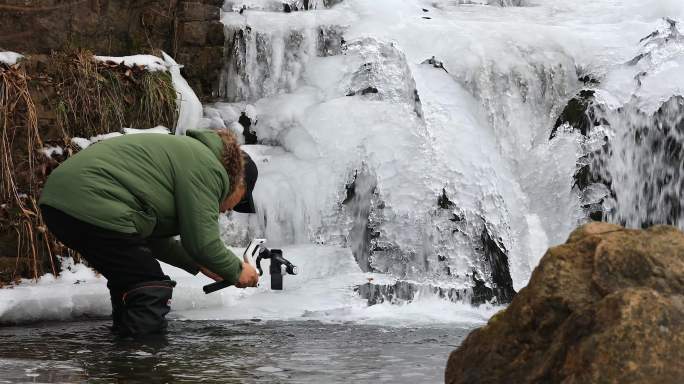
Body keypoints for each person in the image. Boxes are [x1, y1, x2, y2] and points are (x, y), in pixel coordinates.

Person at [38, 129, 259, 336]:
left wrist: (203, 264)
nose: (229, 210)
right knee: (150, 290)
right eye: (240, 201)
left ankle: (121, 362)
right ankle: (143, 365)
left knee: (133, 284)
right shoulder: (209, 167)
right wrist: (237, 270)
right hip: (94, 199)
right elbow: (202, 243)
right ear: (239, 182)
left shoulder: (189, 158)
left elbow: (150, 239)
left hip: (60, 205)